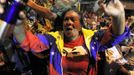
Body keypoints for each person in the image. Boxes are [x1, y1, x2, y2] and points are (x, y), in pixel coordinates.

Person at [12, 0, 130, 75]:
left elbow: (115, 35)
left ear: (80, 25)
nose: (68, 22)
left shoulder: (92, 38)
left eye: (73, 19)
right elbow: (31, 42)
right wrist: (16, 23)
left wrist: (119, 16)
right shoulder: (53, 38)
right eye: (66, 19)